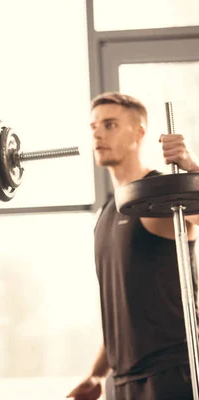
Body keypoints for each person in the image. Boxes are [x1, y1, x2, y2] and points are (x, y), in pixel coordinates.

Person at [67, 92, 199, 400]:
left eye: (110, 124)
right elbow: (124, 308)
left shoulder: (164, 195)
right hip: (123, 381)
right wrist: (98, 374)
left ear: (139, 133)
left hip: (171, 374)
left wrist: (192, 168)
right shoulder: (106, 212)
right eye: (94, 126)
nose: (98, 133)